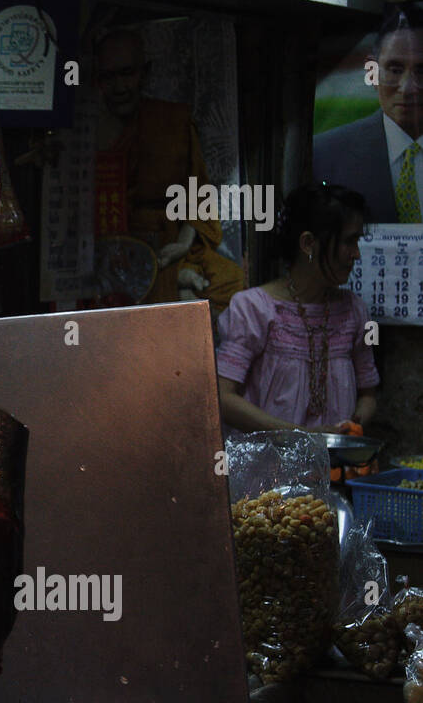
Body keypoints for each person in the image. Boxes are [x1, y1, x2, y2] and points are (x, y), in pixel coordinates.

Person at [92, 27, 244, 311]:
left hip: (171, 242)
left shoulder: (171, 121)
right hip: (114, 248)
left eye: (128, 73)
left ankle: (180, 278)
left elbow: (197, 194)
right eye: (108, 77)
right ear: (97, 80)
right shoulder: (86, 134)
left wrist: (184, 245)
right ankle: (177, 282)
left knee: (231, 284)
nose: (120, 86)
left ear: (145, 73)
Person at [216, 182, 379, 434]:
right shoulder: (253, 309)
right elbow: (223, 398)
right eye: (349, 241)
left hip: (335, 469)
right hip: (269, 468)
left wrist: (351, 428)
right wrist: (303, 437)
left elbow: (368, 394)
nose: (356, 254)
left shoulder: (355, 312)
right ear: (308, 244)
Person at [313, 1, 423, 226]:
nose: (407, 87)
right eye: (395, 70)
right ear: (372, 72)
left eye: (422, 71)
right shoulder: (325, 155)